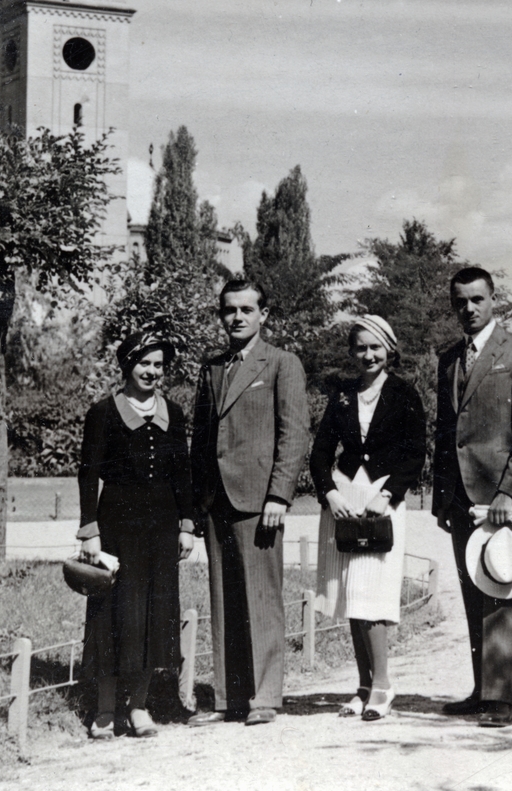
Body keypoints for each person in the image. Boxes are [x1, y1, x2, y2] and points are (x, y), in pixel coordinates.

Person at [188, 277, 310, 727]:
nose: (236, 317)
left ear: (264, 314)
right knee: (225, 600)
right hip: (217, 499)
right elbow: (201, 439)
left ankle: (264, 696)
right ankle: (229, 698)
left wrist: (279, 494)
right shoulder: (213, 367)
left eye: (246, 309)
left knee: (261, 598)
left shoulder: (282, 364)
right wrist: (196, 504)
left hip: (260, 500)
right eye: (228, 310)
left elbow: (294, 433)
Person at [432, 267, 512, 728]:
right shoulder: (448, 360)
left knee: (500, 585)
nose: (469, 308)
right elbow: (446, 434)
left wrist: (510, 490)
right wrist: (442, 500)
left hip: (498, 496)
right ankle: (482, 689)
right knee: (471, 589)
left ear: (493, 299)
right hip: (460, 497)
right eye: (460, 301)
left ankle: (500, 699)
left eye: (477, 299)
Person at [75, 320, 196, 740]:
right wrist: (89, 531)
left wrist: (187, 524)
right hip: (116, 528)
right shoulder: (103, 413)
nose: (152, 371)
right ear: (128, 365)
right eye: (144, 362)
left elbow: (183, 473)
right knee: (113, 615)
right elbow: (88, 474)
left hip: (162, 529)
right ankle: (106, 710)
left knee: (153, 615)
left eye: (159, 364)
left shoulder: (174, 414)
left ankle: (139, 707)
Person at [310, 315, 427, 722]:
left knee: (372, 597)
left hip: (381, 504)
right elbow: (321, 452)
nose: (368, 355)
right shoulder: (342, 393)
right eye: (360, 347)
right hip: (345, 501)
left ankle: (383, 685)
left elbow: (416, 454)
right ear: (351, 351)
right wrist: (330, 492)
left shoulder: (404, 393)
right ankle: (363, 685)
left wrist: (389, 495)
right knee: (351, 598)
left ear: (389, 350)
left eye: (375, 347)